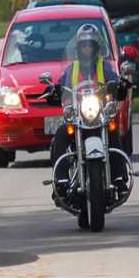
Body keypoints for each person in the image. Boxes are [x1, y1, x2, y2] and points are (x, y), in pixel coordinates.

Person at [49, 23, 131, 199]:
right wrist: (53, 90)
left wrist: (121, 84)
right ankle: (61, 181)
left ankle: (119, 178)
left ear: (96, 48)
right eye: (84, 45)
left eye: (90, 45)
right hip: (78, 117)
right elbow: (61, 84)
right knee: (62, 134)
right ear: (78, 48)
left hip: (99, 116)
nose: (87, 49)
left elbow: (114, 81)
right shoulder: (72, 69)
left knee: (113, 131)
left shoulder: (104, 67)